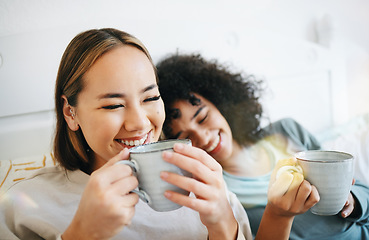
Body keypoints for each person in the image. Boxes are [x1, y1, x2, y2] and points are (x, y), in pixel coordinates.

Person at [0, 28, 311, 240]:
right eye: (113, 105)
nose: (140, 123)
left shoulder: (207, 186)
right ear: (71, 113)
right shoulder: (25, 205)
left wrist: (223, 224)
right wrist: (83, 232)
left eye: (150, 98)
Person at [156, 52, 369, 239]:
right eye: (187, 137)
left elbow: (360, 188)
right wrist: (278, 214)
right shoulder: (217, 192)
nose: (203, 137)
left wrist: (350, 198)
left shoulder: (288, 131)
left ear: (220, 103)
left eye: (203, 118)